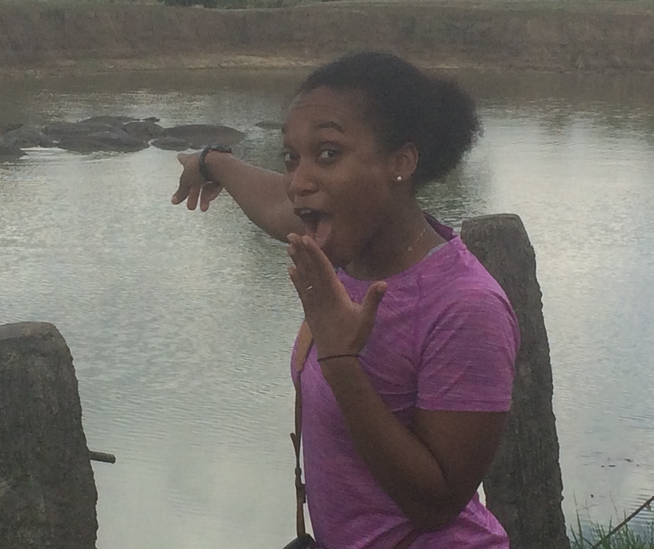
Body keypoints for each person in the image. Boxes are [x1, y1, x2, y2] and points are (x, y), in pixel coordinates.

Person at [171, 52, 520, 548]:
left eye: (328, 154)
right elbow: (274, 202)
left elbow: (436, 504)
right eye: (292, 157)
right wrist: (210, 163)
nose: (298, 181)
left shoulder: (465, 307)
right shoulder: (344, 245)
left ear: (401, 162)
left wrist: (340, 361)